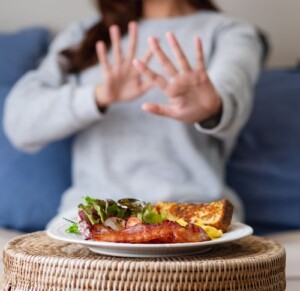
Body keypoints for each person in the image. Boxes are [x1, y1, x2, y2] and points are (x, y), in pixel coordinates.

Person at [3, 0, 262, 221]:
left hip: (196, 213)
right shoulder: (83, 34)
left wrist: (212, 108)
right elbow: (20, 124)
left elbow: (232, 88)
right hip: (92, 216)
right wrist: (98, 96)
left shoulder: (229, 31)